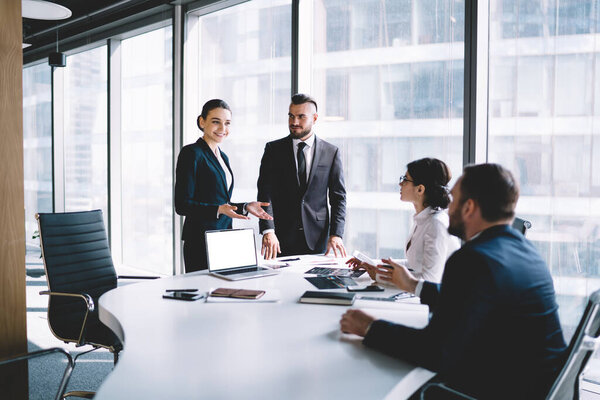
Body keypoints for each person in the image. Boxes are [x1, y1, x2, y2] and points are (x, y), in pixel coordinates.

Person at [340, 163, 567, 399]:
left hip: (502, 389)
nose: (447, 210)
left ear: (469, 208)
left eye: (454, 200)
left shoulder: (473, 258)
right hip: (539, 386)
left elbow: (435, 352)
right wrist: (412, 285)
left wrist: (369, 327)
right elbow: (470, 299)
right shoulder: (527, 252)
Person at [175, 99, 272, 273]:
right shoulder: (191, 153)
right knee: (204, 294)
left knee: (226, 293)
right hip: (200, 240)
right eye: (215, 122)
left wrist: (245, 207)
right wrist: (218, 209)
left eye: (227, 123)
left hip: (224, 239)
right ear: (202, 121)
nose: (222, 128)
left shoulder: (223, 157)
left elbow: (219, 200)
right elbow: (182, 204)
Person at [257, 93, 346, 259]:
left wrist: (336, 234)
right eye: (291, 116)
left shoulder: (331, 152)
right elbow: (265, 193)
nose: (294, 122)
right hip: (280, 238)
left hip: (318, 238)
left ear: (315, 118)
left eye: (301, 117)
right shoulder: (273, 150)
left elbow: (338, 197)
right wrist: (268, 230)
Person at [347, 158, 459, 283]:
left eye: (405, 180)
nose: (400, 184)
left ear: (420, 189)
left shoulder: (436, 224)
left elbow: (430, 279)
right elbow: (413, 264)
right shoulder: (422, 219)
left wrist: (381, 276)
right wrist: (372, 264)